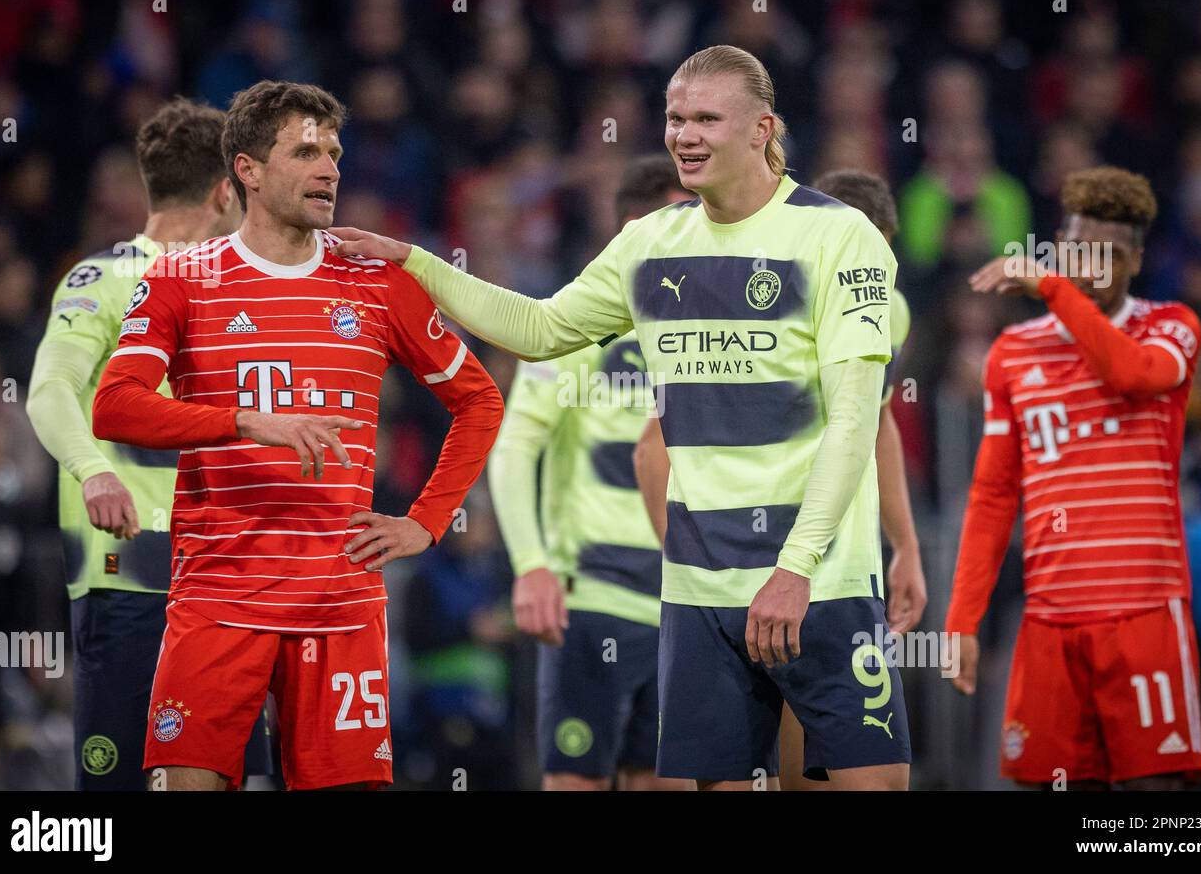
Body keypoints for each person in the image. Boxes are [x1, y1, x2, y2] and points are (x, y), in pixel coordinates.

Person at [332, 45, 911, 790]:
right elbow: (538, 327)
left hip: (818, 581)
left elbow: (854, 422)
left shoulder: (839, 236)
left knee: (873, 786)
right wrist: (415, 261)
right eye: (676, 118)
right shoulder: (649, 244)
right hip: (699, 591)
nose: (685, 135)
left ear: (764, 128)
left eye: (707, 118)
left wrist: (794, 568)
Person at [92, 81, 504, 791]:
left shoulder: (376, 281)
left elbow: (479, 400)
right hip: (219, 596)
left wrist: (425, 522)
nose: (330, 169)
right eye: (306, 150)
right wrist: (242, 422)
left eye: (335, 152)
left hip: (339, 601)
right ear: (246, 170)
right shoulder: (183, 277)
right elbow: (116, 407)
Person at [634, 168, 927, 789]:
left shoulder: (886, 310)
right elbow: (653, 446)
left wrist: (905, 547)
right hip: (750, 571)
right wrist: (695, 565)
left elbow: (875, 425)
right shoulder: (737, 298)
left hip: (834, 569)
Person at [26, 98, 278, 791]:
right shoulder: (102, 279)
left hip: (226, 580)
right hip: (133, 574)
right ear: (226, 189)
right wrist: (92, 471)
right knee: (115, 791)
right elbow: (48, 390)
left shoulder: (247, 292)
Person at [945, 165, 1201, 790]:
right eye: (1078, 250)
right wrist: (960, 621)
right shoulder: (1012, 353)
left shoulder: (1171, 325)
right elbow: (992, 495)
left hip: (1143, 616)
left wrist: (1053, 290)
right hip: (1052, 621)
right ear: (1060, 247)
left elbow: (1133, 375)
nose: (1091, 267)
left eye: (1110, 254)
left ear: (1138, 260)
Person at [489, 155, 693, 791]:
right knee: (575, 781)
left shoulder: (706, 330)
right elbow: (515, 446)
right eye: (678, 216)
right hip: (593, 600)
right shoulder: (576, 322)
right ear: (633, 227)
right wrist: (532, 565)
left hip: (684, 607)